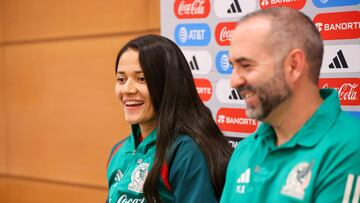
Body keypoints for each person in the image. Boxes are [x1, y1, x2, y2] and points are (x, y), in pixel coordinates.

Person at [220, 7, 360, 203]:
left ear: (293, 65)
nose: (234, 81)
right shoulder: (245, 151)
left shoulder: (351, 147)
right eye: (232, 67)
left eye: (246, 65)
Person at [107, 34, 233, 203]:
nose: (127, 89)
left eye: (142, 79)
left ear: (168, 84)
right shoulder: (119, 151)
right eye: (121, 79)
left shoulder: (185, 151)